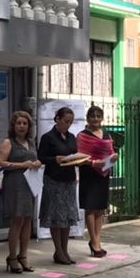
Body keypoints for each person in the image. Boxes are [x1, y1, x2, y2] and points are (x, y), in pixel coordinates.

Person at [0, 110, 41, 273]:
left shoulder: (31, 142)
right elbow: (1, 163)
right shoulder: (8, 142)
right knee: (17, 220)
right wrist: (22, 165)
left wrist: (36, 163)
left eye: (25, 123)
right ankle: (12, 257)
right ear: (13, 126)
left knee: (28, 220)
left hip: (30, 183)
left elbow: (33, 159)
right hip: (15, 184)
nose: (22, 126)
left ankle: (23, 256)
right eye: (19, 123)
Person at [38, 106, 80, 265]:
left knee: (68, 216)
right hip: (54, 180)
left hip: (68, 179)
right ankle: (58, 250)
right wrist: (54, 159)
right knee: (56, 216)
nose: (68, 125)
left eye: (70, 122)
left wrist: (77, 160)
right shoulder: (48, 137)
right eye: (65, 121)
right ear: (57, 119)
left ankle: (65, 249)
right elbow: (41, 157)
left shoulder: (71, 137)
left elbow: (74, 153)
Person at [76, 105, 119, 258]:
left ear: (102, 118)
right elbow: (80, 157)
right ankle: (94, 241)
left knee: (100, 208)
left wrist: (114, 156)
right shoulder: (82, 135)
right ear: (87, 118)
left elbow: (111, 150)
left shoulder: (106, 133)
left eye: (98, 116)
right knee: (90, 207)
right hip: (89, 173)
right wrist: (94, 163)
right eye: (92, 116)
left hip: (103, 174)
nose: (95, 119)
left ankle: (97, 240)